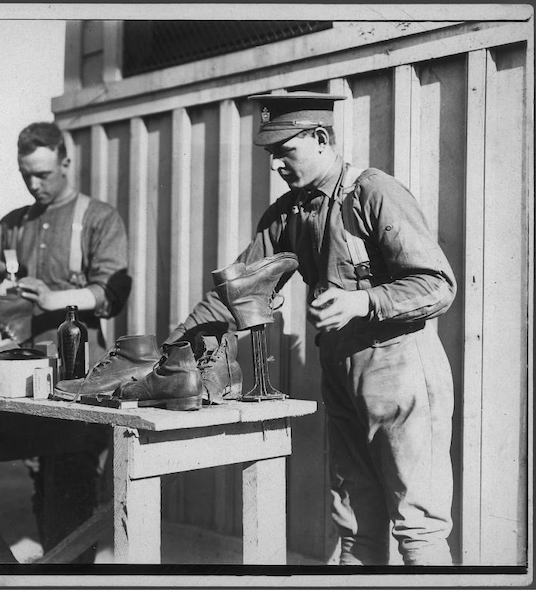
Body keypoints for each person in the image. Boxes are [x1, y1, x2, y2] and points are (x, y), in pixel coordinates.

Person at [166, 93, 456, 566]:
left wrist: (364, 300)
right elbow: (235, 291)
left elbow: (438, 285)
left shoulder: (373, 192)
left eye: (286, 150)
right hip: (340, 373)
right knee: (355, 526)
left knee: (417, 527)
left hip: (400, 366)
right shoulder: (287, 214)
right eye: (270, 154)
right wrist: (172, 350)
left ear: (321, 139)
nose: (277, 164)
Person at [0, 122, 131, 562]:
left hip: (78, 379)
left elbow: (111, 293)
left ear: (66, 163)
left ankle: (69, 581)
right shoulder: (15, 224)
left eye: (44, 174)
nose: (34, 184)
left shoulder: (98, 218)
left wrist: (54, 298)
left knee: (71, 487)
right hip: (23, 375)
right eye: (26, 175)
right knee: (41, 483)